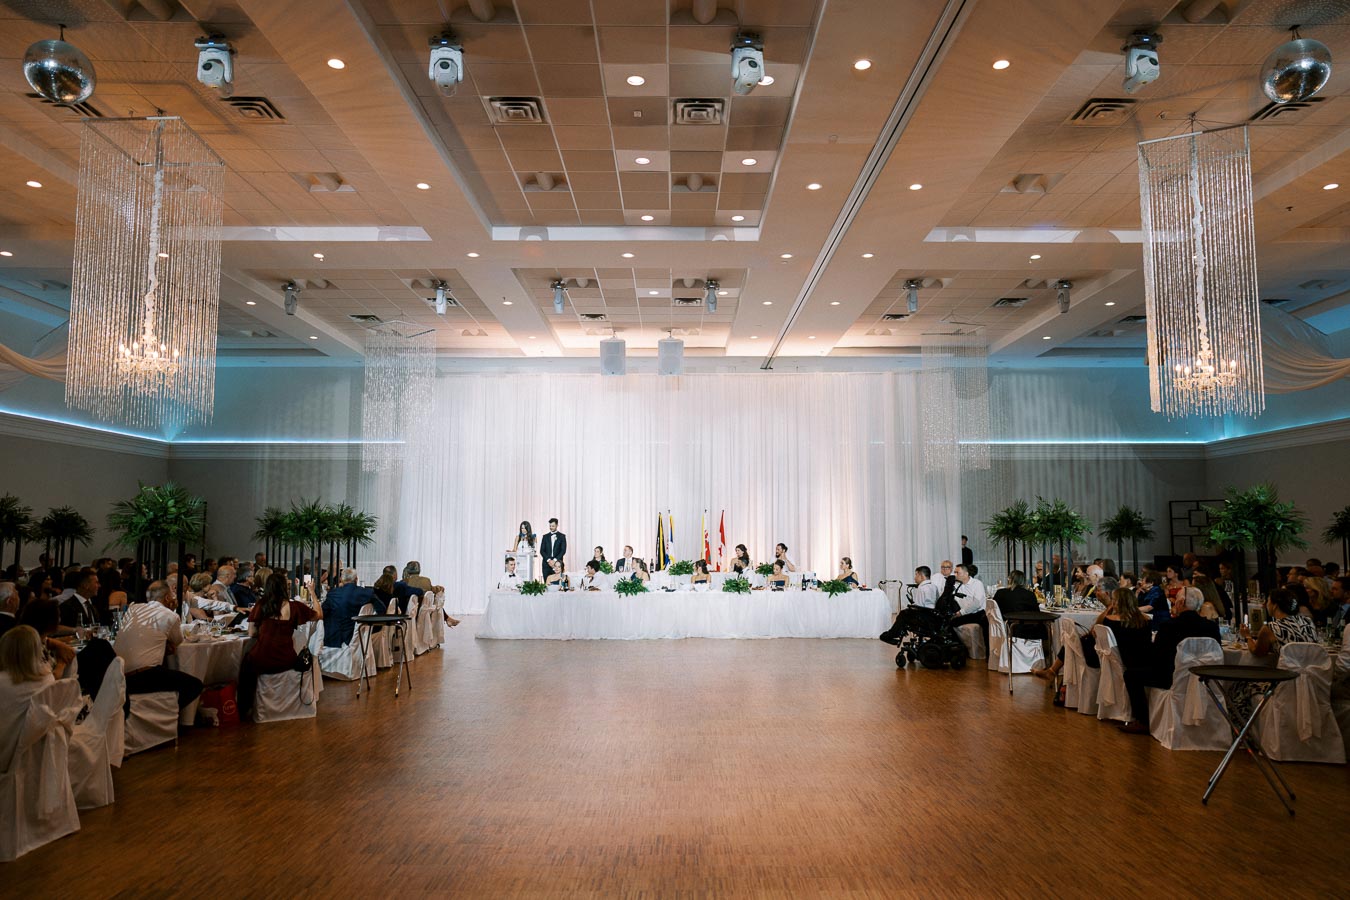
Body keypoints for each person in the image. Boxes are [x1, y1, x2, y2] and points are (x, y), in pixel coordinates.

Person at [1119, 586, 1221, 735]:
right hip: (1206, 678)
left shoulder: (1169, 626)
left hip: (1172, 678)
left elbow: (1156, 657)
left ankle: (1142, 721)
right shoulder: (1211, 627)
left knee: (1131, 675)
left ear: (1181, 602)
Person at [237, 573, 319, 721]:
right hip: (285, 658)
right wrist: (312, 592)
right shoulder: (294, 606)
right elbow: (319, 614)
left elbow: (251, 632)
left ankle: (243, 708)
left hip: (261, 658)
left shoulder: (261, 604)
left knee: (245, 664)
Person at [114, 580, 203, 712]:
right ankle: (164, 712)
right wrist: (172, 610)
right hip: (144, 675)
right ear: (167, 598)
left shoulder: (133, 608)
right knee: (194, 685)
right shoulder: (170, 615)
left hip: (117, 673)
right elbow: (177, 642)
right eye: (172, 596)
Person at [1239, 587, 1317, 659]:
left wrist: (1248, 636)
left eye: (1268, 601)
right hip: (1312, 669)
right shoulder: (1308, 621)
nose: (1265, 605)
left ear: (1275, 606)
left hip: (1288, 671)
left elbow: (1257, 652)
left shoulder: (1271, 628)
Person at [879, 566, 939, 645]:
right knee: (905, 613)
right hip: (932, 615)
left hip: (924, 616)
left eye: (916, 575)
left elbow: (919, 606)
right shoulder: (934, 587)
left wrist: (910, 607)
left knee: (903, 614)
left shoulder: (922, 588)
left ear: (921, 576)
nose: (915, 578)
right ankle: (896, 633)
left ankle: (892, 634)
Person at [322, 568, 375, 649]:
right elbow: (381, 609)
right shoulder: (368, 593)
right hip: (361, 636)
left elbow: (322, 613)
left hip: (336, 639)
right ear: (356, 579)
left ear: (341, 580)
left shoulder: (333, 594)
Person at [948, 563, 989, 646]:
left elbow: (976, 604)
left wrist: (960, 613)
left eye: (957, 573)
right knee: (947, 623)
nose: (955, 575)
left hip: (977, 614)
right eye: (954, 572)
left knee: (950, 623)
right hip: (964, 614)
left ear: (966, 574)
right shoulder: (956, 585)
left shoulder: (977, 584)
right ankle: (959, 648)